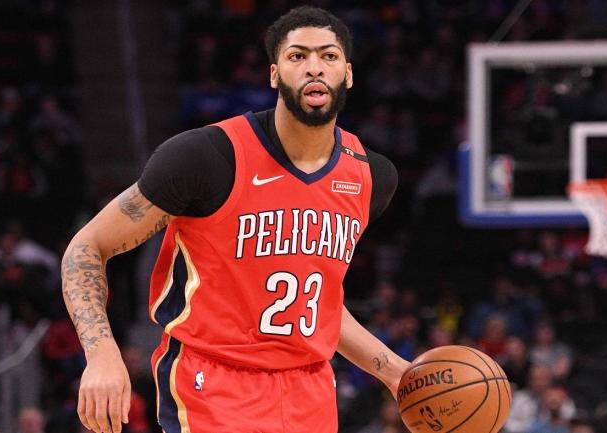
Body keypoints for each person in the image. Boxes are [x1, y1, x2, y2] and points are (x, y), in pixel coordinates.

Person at [61, 6, 408, 433]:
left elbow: (320, 307)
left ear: (348, 74)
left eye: (329, 56)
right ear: (274, 74)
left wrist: (393, 370)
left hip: (311, 390)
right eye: (298, 56)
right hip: (213, 384)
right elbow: (87, 247)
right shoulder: (206, 157)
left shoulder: (371, 177)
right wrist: (101, 354)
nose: (314, 67)